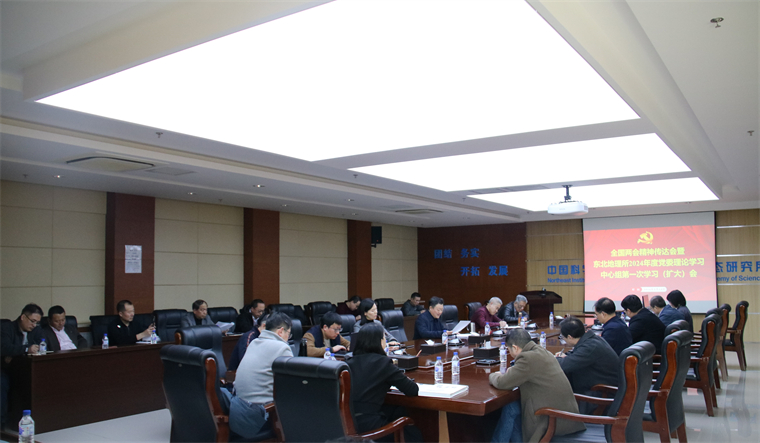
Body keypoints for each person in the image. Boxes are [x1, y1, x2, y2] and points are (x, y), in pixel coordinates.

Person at [489, 328, 585, 442]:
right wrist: (514, 371)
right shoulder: (542, 351)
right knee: (512, 406)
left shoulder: (527, 358)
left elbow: (502, 383)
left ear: (515, 347)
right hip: (566, 418)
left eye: (509, 350)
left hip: (552, 421)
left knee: (511, 407)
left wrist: (493, 375)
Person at [346, 322, 422, 442]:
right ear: (379, 342)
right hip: (370, 426)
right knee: (413, 433)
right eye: (384, 338)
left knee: (397, 409)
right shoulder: (383, 363)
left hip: (347, 424)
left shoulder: (348, 363)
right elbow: (412, 390)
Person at [227, 312, 293, 439]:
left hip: (237, 411)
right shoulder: (282, 347)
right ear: (281, 331)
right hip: (258, 419)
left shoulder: (254, 342)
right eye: (288, 334)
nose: (288, 338)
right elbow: (290, 384)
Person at [554, 317, 618, 413]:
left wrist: (552, 359)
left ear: (570, 337)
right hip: (603, 389)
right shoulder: (593, 339)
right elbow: (578, 354)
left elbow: (564, 365)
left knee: (556, 396)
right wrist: (566, 356)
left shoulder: (590, 347)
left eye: (562, 337)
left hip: (602, 397)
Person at [1, 304, 44, 428]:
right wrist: (26, 349)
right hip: (5, 369)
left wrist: (15, 353)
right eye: (32, 321)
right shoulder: (6, 328)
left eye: (37, 322)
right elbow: (5, 348)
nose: (34, 325)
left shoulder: (36, 330)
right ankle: (2, 425)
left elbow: (41, 344)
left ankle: (40, 421)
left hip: (26, 369)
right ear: (23, 317)